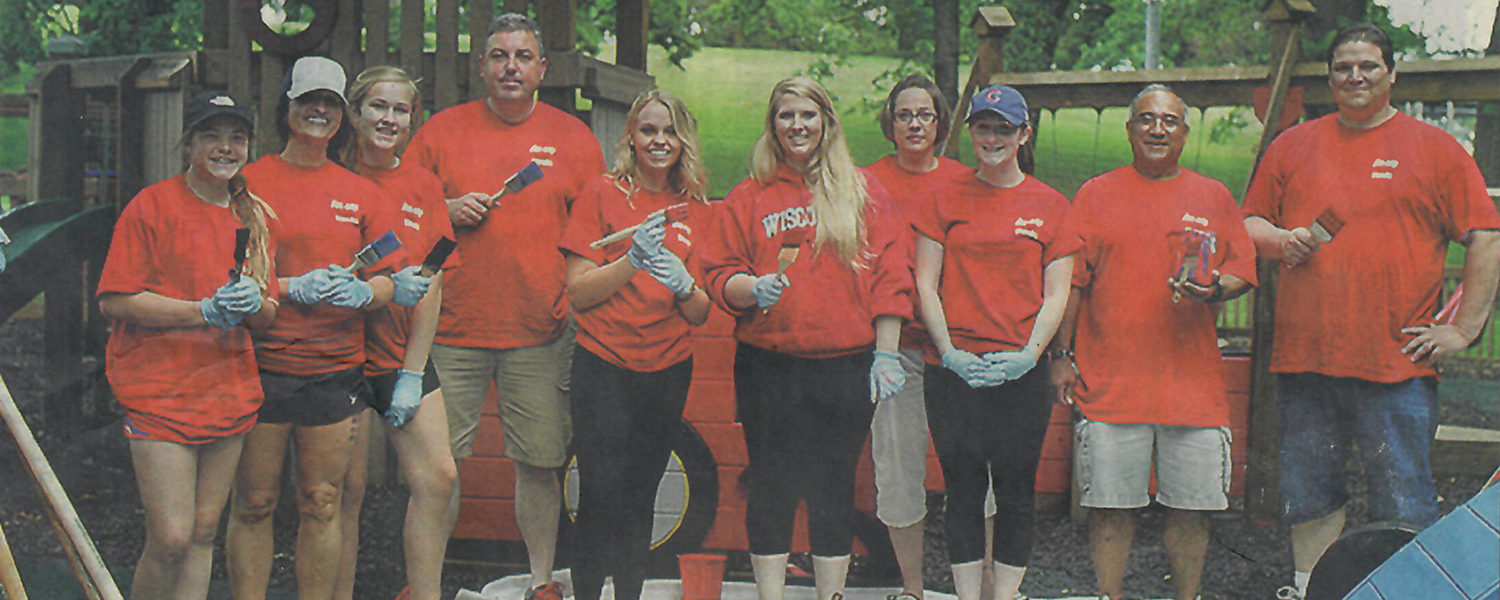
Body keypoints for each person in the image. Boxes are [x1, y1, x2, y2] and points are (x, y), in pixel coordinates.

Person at [1241, 23, 1500, 600]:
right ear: (1330, 76)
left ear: (1391, 73)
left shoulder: (1434, 149)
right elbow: (1249, 224)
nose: (1355, 77)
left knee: (1404, 499)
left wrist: (1463, 328)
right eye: (1342, 67)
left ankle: (1410, 592)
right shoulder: (1293, 145)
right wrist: (1283, 241)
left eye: (1368, 66)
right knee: (1309, 495)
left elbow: (1485, 235)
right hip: (1305, 361)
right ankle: (1310, 590)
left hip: (1396, 367)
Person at [403, 13, 605, 600]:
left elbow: (597, 227)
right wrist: (447, 206)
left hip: (542, 329)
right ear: (481, 66)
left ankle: (542, 581)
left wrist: (574, 298)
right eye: (498, 56)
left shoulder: (572, 137)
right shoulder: (442, 131)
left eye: (522, 56)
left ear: (541, 69)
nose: (510, 66)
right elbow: (403, 212)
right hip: (451, 328)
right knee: (437, 472)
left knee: (541, 464)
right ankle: (425, 588)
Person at [700, 76, 912, 600]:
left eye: (807, 115)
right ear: (772, 126)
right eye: (785, 115)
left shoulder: (862, 191)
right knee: (770, 483)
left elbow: (891, 275)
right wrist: (751, 288)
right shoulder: (750, 195)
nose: (797, 125)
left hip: (844, 362)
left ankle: (830, 594)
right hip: (768, 363)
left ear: (826, 122)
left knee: (833, 484)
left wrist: (886, 352)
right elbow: (718, 272)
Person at [1050, 84, 1256, 600]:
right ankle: (1108, 595)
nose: (1157, 129)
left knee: (1191, 510)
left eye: (1169, 121)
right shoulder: (1096, 194)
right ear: (1129, 129)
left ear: (1185, 132)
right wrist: (1061, 356)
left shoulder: (1212, 196)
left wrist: (1214, 289)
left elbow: (1242, 270)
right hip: (1112, 384)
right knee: (1111, 509)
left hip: (1192, 389)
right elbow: (1073, 284)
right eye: (1146, 119)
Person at [226, 56, 399, 600]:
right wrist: (283, 285)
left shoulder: (362, 191)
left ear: (342, 115)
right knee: (254, 502)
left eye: (329, 103)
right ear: (288, 107)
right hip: (262, 365)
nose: (318, 112)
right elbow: (221, 265)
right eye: (307, 101)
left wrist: (365, 291)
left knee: (322, 501)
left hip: (334, 369)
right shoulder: (247, 182)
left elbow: (393, 279)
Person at [99, 90, 277, 600]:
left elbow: (269, 313)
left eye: (236, 137)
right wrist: (201, 310)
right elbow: (116, 299)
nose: (225, 147)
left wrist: (250, 304)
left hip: (227, 392)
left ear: (249, 146)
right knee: (172, 537)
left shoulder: (255, 216)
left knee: (202, 535)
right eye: (211, 136)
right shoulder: (152, 205)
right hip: (160, 392)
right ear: (188, 144)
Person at [913, 84, 1079, 600]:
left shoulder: (1051, 205)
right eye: (984, 127)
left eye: (1004, 128)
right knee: (961, 488)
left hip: (1019, 373)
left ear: (1023, 134)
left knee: (1015, 489)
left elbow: (1058, 293)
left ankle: (1004, 595)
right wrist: (949, 353)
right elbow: (925, 282)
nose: (993, 138)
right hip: (954, 371)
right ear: (971, 133)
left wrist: (1030, 356)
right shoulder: (944, 198)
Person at [559, 88, 712, 600]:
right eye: (649, 130)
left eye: (670, 131)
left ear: (684, 140)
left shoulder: (695, 210)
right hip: (604, 363)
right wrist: (633, 262)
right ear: (631, 136)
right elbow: (578, 292)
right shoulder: (602, 194)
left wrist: (684, 284)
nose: (659, 140)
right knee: (598, 491)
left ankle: (628, 594)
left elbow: (700, 312)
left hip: (667, 367)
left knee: (641, 493)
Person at [862, 74, 992, 600]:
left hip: (960, 349)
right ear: (890, 124)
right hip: (894, 350)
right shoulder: (865, 182)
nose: (915, 123)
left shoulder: (967, 180)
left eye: (925, 114)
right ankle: (912, 588)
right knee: (896, 470)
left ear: (941, 123)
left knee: (975, 468)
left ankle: (984, 587)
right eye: (904, 114)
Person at [334, 65, 461, 600]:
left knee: (438, 479)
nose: (388, 119)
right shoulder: (331, 176)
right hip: (335, 356)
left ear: (413, 119)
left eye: (400, 109)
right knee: (344, 492)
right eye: (377, 107)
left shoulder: (423, 185)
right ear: (354, 111)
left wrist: (413, 372)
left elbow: (432, 280)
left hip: (397, 356)